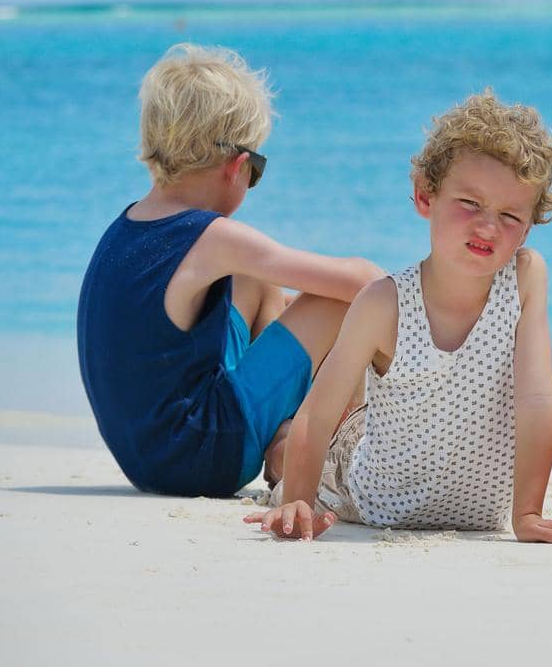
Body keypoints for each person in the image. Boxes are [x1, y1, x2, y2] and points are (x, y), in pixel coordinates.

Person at [245, 91, 552, 544]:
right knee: (312, 450)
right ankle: (278, 452)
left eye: (510, 214)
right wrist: (295, 498)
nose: (487, 226)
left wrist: (528, 513)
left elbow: (537, 397)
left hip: (477, 511)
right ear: (425, 196)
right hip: (365, 490)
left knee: (352, 419)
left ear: (529, 226)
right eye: (470, 204)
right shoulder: (384, 303)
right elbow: (318, 413)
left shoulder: (525, 277)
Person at [77, 44, 382, 498]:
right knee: (346, 304)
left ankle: (283, 438)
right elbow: (359, 281)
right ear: (237, 166)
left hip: (148, 460)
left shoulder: (127, 227)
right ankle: (340, 451)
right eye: (255, 170)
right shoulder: (212, 237)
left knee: (258, 281)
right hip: (203, 456)